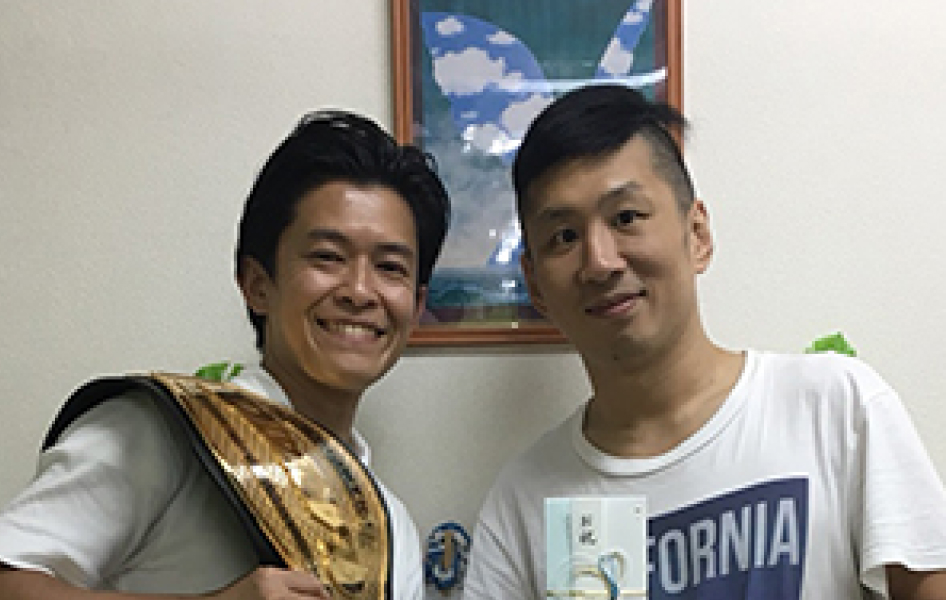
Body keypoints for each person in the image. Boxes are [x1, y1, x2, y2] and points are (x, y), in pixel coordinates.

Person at [461, 83, 946, 599]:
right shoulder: (521, 504)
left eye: (626, 218)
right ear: (535, 284)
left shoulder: (835, 407)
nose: (600, 262)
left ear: (697, 235)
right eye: (564, 237)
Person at [0, 110, 450, 600]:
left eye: (390, 267)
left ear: (416, 306)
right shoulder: (164, 431)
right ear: (257, 285)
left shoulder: (391, 527)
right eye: (328, 257)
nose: (360, 291)